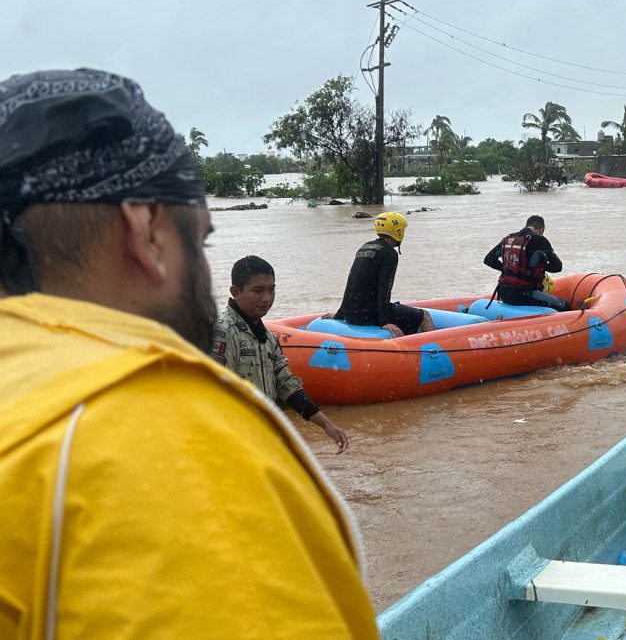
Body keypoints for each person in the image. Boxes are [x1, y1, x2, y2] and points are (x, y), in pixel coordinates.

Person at [0, 69, 376, 637]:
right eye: (198, 241)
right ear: (146, 229)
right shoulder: (161, 430)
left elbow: (283, 376)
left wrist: (320, 422)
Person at [213, 255, 349, 454]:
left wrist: (327, 425)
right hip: (235, 443)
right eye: (258, 291)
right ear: (236, 292)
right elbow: (213, 393)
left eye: (271, 289)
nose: (266, 298)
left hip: (264, 437)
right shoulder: (224, 332)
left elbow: (286, 383)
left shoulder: (266, 336)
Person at [335, 211, 433, 335]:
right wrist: (384, 321)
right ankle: (434, 352)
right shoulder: (389, 254)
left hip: (352, 313)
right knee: (424, 316)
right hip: (369, 314)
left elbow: (352, 281)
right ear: (398, 231)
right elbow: (385, 288)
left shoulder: (365, 247)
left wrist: (341, 313)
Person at [483, 215, 566, 310]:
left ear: (527, 225)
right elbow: (557, 267)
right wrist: (539, 266)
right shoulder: (540, 240)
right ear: (542, 230)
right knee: (565, 305)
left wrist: (509, 268)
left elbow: (488, 260)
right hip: (524, 295)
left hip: (503, 293)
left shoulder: (509, 238)